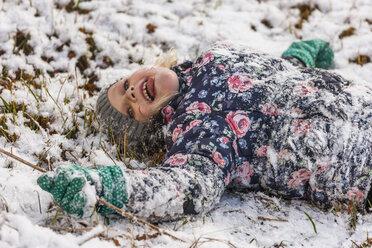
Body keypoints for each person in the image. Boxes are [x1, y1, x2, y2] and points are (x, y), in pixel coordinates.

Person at [37, 40, 372, 222]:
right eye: (129, 108)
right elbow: (186, 187)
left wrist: (300, 55)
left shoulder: (213, 55)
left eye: (125, 84)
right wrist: (104, 189)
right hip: (355, 165)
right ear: (146, 127)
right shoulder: (195, 133)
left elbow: (275, 71)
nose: (131, 91)